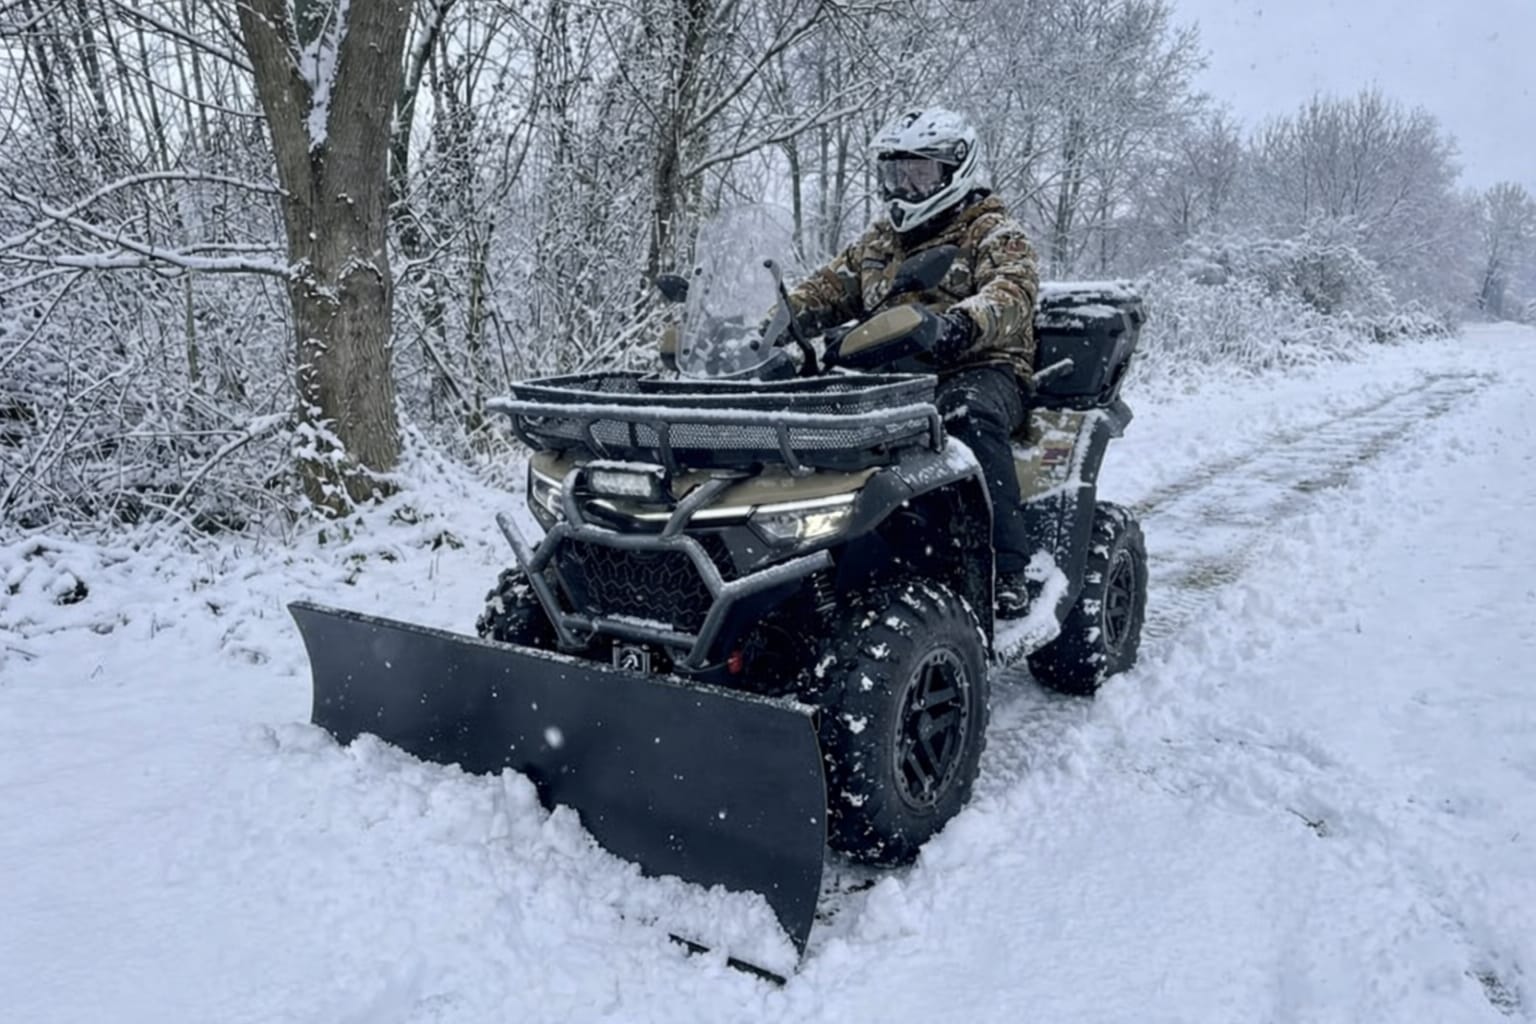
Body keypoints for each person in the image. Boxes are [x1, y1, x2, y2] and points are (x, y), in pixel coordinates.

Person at [783, 106, 1041, 618]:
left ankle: (1006, 568)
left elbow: (1013, 291)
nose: (906, 185)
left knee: (965, 416)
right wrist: (773, 321)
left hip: (979, 366)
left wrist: (963, 324)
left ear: (954, 169)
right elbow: (827, 288)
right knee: (816, 416)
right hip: (894, 368)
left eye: (919, 171)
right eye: (895, 172)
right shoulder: (881, 240)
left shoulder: (991, 230)